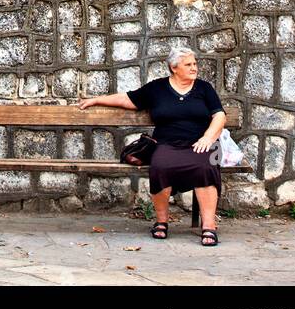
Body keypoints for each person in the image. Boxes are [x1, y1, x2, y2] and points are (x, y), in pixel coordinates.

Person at [77, 46, 226, 246]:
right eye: (188, 64)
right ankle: (161, 221)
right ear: (174, 68)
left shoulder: (204, 88)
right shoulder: (157, 88)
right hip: (167, 143)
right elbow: (126, 99)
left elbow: (219, 115)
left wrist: (208, 138)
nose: (194, 68)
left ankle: (209, 225)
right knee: (160, 166)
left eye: (195, 64)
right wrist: (96, 100)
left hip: (200, 143)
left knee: (206, 166)